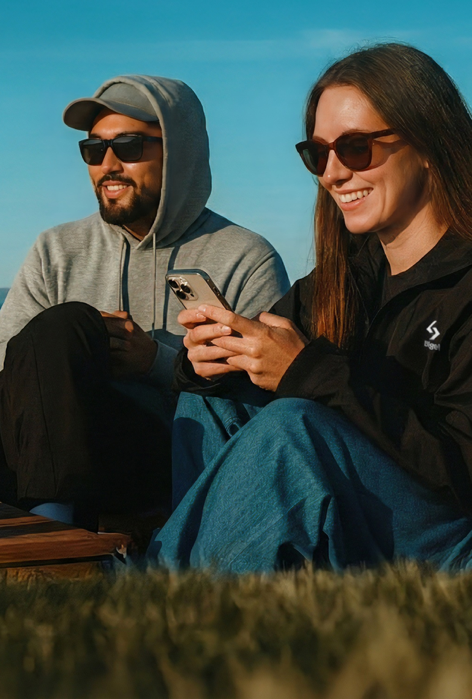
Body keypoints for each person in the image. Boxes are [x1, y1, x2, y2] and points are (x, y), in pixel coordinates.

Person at [148, 43, 472, 573]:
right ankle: (187, 578)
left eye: (356, 148)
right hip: (369, 510)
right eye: (318, 154)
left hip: (449, 535)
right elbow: (262, 361)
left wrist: (310, 374)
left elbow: (460, 469)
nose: (334, 173)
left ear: (429, 142)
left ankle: (176, 592)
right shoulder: (347, 277)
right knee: (211, 402)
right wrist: (206, 359)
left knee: (294, 429)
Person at [0, 75, 289, 528]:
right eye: (93, 150)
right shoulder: (55, 249)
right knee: (65, 328)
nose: (107, 164)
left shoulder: (245, 257)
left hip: (172, 456)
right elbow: (9, 368)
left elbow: (267, 408)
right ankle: (54, 527)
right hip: (48, 455)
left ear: (180, 151)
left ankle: (53, 535)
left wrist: (156, 362)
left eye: (129, 146)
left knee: (67, 324)